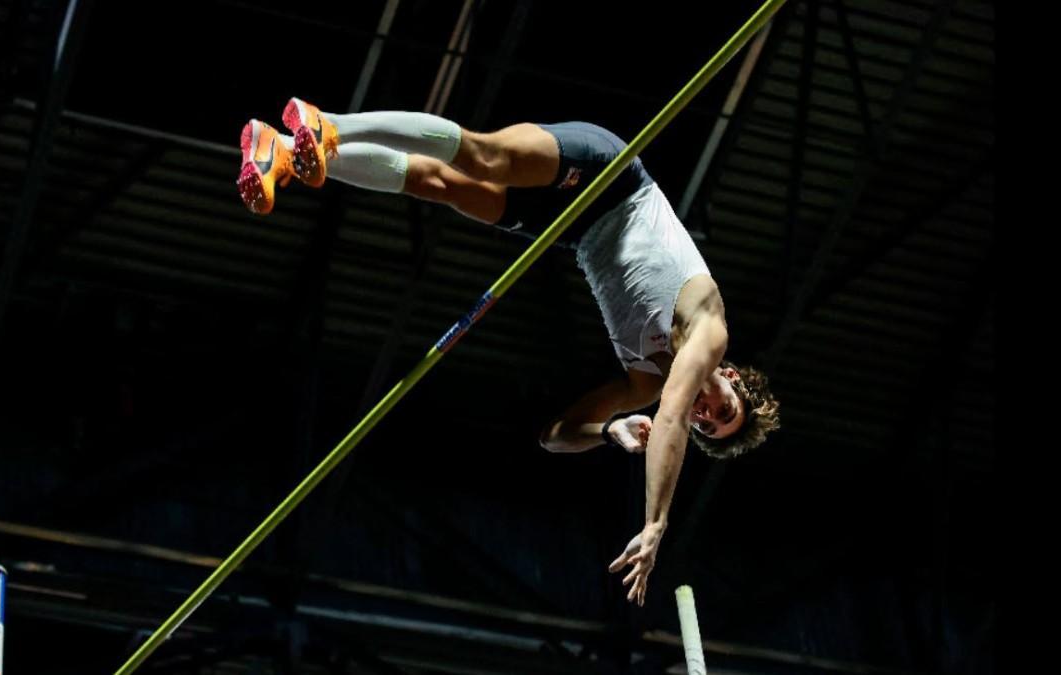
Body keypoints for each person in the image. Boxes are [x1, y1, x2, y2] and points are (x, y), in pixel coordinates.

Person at [237, 98, 780, 606]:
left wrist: (607, 433)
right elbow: (673, 416)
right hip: (611, 178)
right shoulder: (710, 332)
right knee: (485, 155)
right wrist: (656, 521)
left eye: (709, 426)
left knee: (440, 183)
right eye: (723, 409)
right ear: (731, 377)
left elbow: (554, 437)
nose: (706, 414)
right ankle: (327, 122)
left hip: (571, 229)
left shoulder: (644, 386)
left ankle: (282, 153)